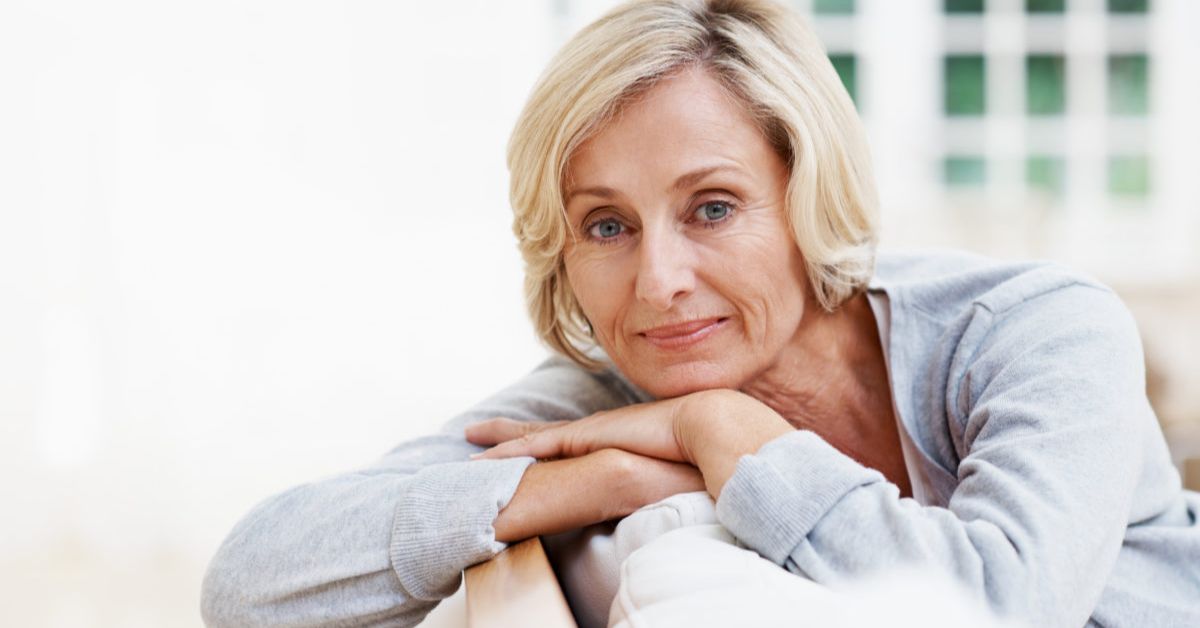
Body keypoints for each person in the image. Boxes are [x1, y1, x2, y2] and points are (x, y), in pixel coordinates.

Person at [200, 0, 1200, 626]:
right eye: (605, 226)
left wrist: (729, 437)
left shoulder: (1038, 326)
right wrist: (595, 480)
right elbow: (252, 585)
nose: (658, 280)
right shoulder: (603, 404)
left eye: (711, 208)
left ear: (808, 194)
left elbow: (1000, 609)